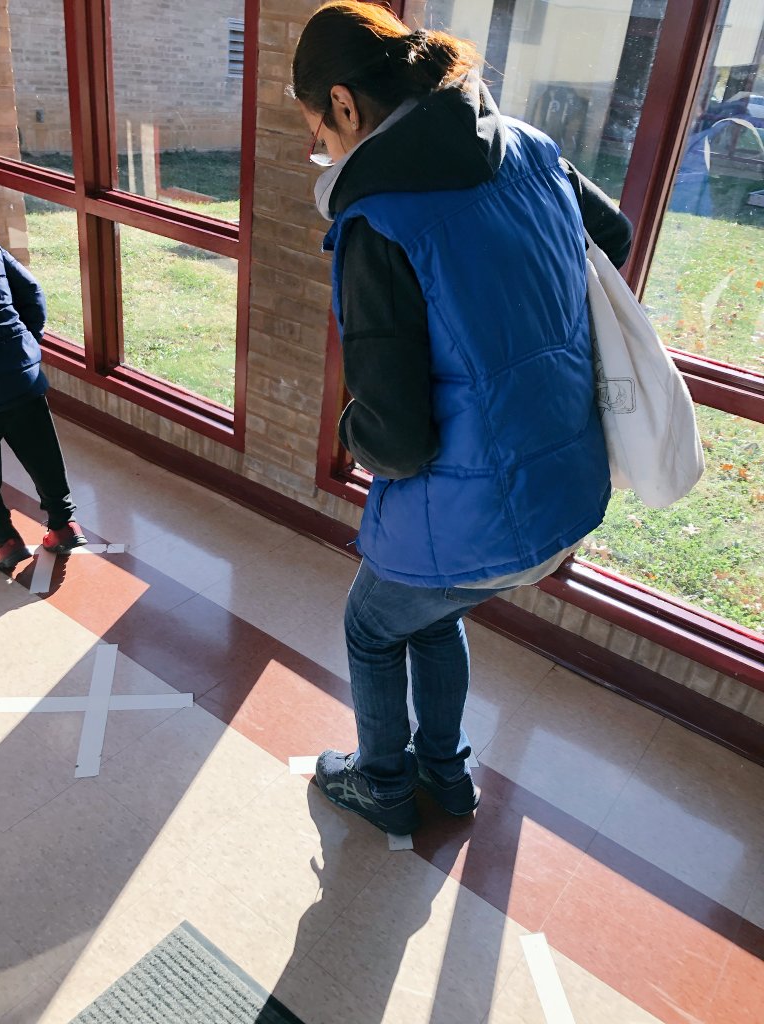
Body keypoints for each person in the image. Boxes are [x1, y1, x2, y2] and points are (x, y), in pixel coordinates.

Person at [291, 2, 632, 835]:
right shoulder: (529, 147)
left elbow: (399, 442)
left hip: (475, 507)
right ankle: (446, 774)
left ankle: (381, 783)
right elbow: (613, 237)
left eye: (317, 131)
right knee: (434, 613)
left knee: (373, 626)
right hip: (563, 483)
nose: (321, 150)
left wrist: (348, 433)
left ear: (344, 105)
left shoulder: (379, 220)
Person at [0, 243, 86, 572]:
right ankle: (64, 526)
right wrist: (27, 342)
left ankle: (5, 541)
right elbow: (31, 290)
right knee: (43, 453)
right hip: (19, 374)